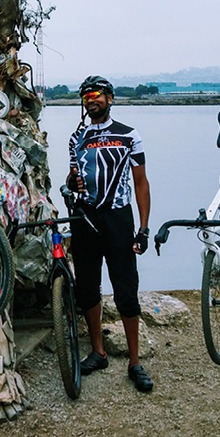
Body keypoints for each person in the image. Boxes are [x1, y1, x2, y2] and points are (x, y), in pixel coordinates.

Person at [66, 75, 153, 392]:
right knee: (87, 287)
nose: (92, 99)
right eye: (87, 95)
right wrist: (70, 182)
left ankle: (135, 362)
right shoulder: (78, 136)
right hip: (84, 217)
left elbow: (141, 182)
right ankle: (98, 352)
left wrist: (143, 228)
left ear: (110, 99)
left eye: (98, 94)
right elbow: (73, 175)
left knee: (126, 289)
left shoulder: (129, 135)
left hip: (118, 218)